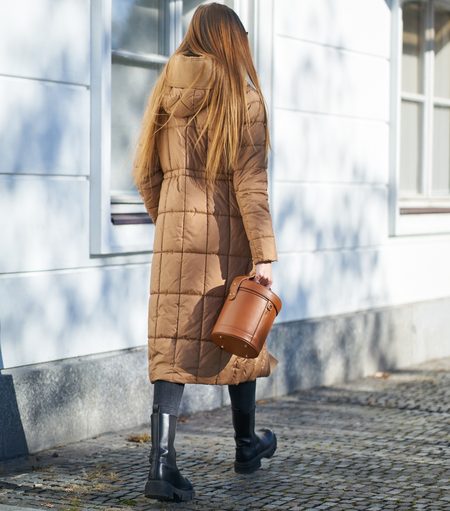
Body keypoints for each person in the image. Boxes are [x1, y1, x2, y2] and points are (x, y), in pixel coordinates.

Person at [133, 2, 279, 503]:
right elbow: (251, 186)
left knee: (171, 348)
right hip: (226, 243)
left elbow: (145, 173)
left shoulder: (164, 89)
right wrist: (264, 255)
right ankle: (245, 445)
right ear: (232, 40)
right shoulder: (243, 97)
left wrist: (168, 221)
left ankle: (162, 466)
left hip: (175, 245)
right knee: (239, 330)